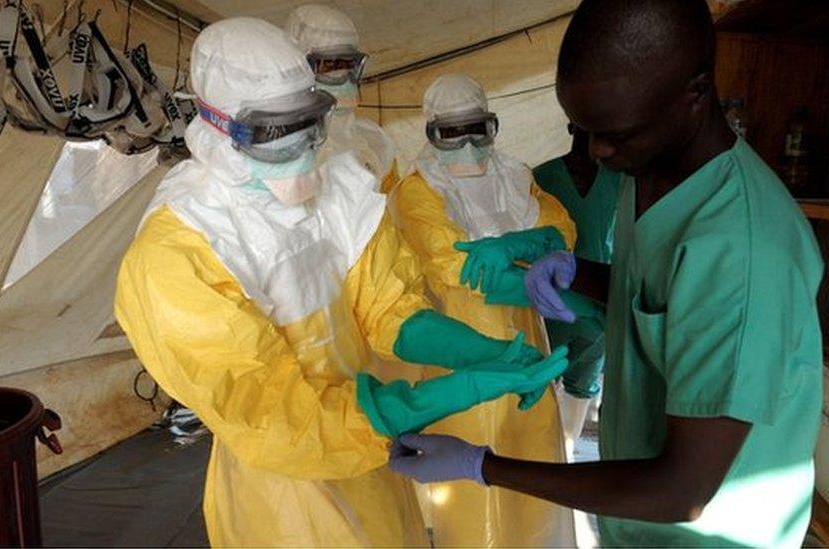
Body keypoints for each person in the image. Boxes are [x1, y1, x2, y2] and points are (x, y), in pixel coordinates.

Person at [114, 18, 567, 548]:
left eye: (310, 125)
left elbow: (390, 308)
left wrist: (482, 353)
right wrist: (443, 395)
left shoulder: (339, 188)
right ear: (218, 127)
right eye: (276, 135)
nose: (305, 151)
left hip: (370, 456)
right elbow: (277, 419)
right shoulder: (180, 250)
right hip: (282, 488)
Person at [389, 1, 825, 547]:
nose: (598, 151)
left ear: (695, 91)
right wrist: (577, 273)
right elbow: (666, 298)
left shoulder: (744, 252)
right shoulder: (649, 167)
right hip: (636, 519)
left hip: (705, 532)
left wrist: (485, 467)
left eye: (615, 133)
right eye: (583, 128)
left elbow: (680, 491)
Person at [389, 73, 578, 547]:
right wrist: (532, 277)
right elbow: (454, 266)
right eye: (452, 133)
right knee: (470, 478)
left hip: (527, 339)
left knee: (532, 459)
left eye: (479, 129)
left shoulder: (515, 178)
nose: (469, 145)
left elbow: (561, 230)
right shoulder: (417, 192)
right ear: (431, 135)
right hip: (459, 343)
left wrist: (533, 246)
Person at [532, 124, 619, 440]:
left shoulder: (620, 182)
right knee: (538, 382)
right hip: (550, 306)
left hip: (598, 306)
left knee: (582, 387)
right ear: (569, 125)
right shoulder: (540, 179)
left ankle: (567, 452)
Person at [285, 4, 400, 192]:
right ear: (299, 67)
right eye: (330, 65)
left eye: (349, 63)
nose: (343, 75)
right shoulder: (283, 154)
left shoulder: (375, 142)